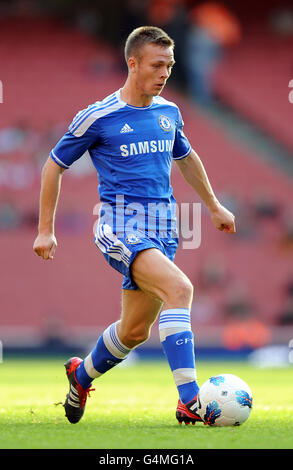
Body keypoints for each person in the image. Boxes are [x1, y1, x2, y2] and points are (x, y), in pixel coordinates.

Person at [33, 26, 236, 425]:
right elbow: (53, 165)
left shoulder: (168, 113)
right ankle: (191, 401)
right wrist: (45, 228)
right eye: (157, 65)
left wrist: (213, 206)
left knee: (134, 332)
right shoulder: (99, 116)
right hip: (118, 225)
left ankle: (81, 375)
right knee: (181, 288)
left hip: (163, 230)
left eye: (170, 66)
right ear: (133, 63)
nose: (165, 73)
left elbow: (187, 157)